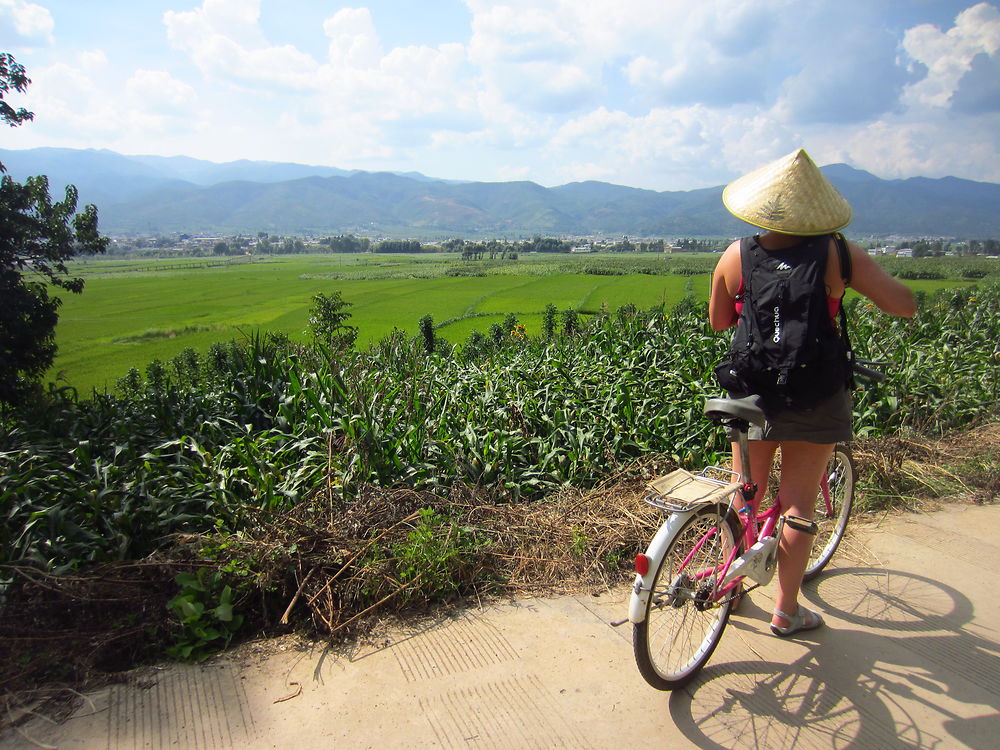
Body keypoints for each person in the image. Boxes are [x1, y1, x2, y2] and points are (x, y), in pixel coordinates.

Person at [708, 148, 915, 637]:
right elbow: (901, 305)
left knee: (745, 497)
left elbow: (719, 322)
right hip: (816, 392)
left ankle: (729, 591)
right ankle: (787, 612)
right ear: (817, 212)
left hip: (753, 389)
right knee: (799, 503)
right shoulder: (838, 253)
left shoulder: (737, 253)